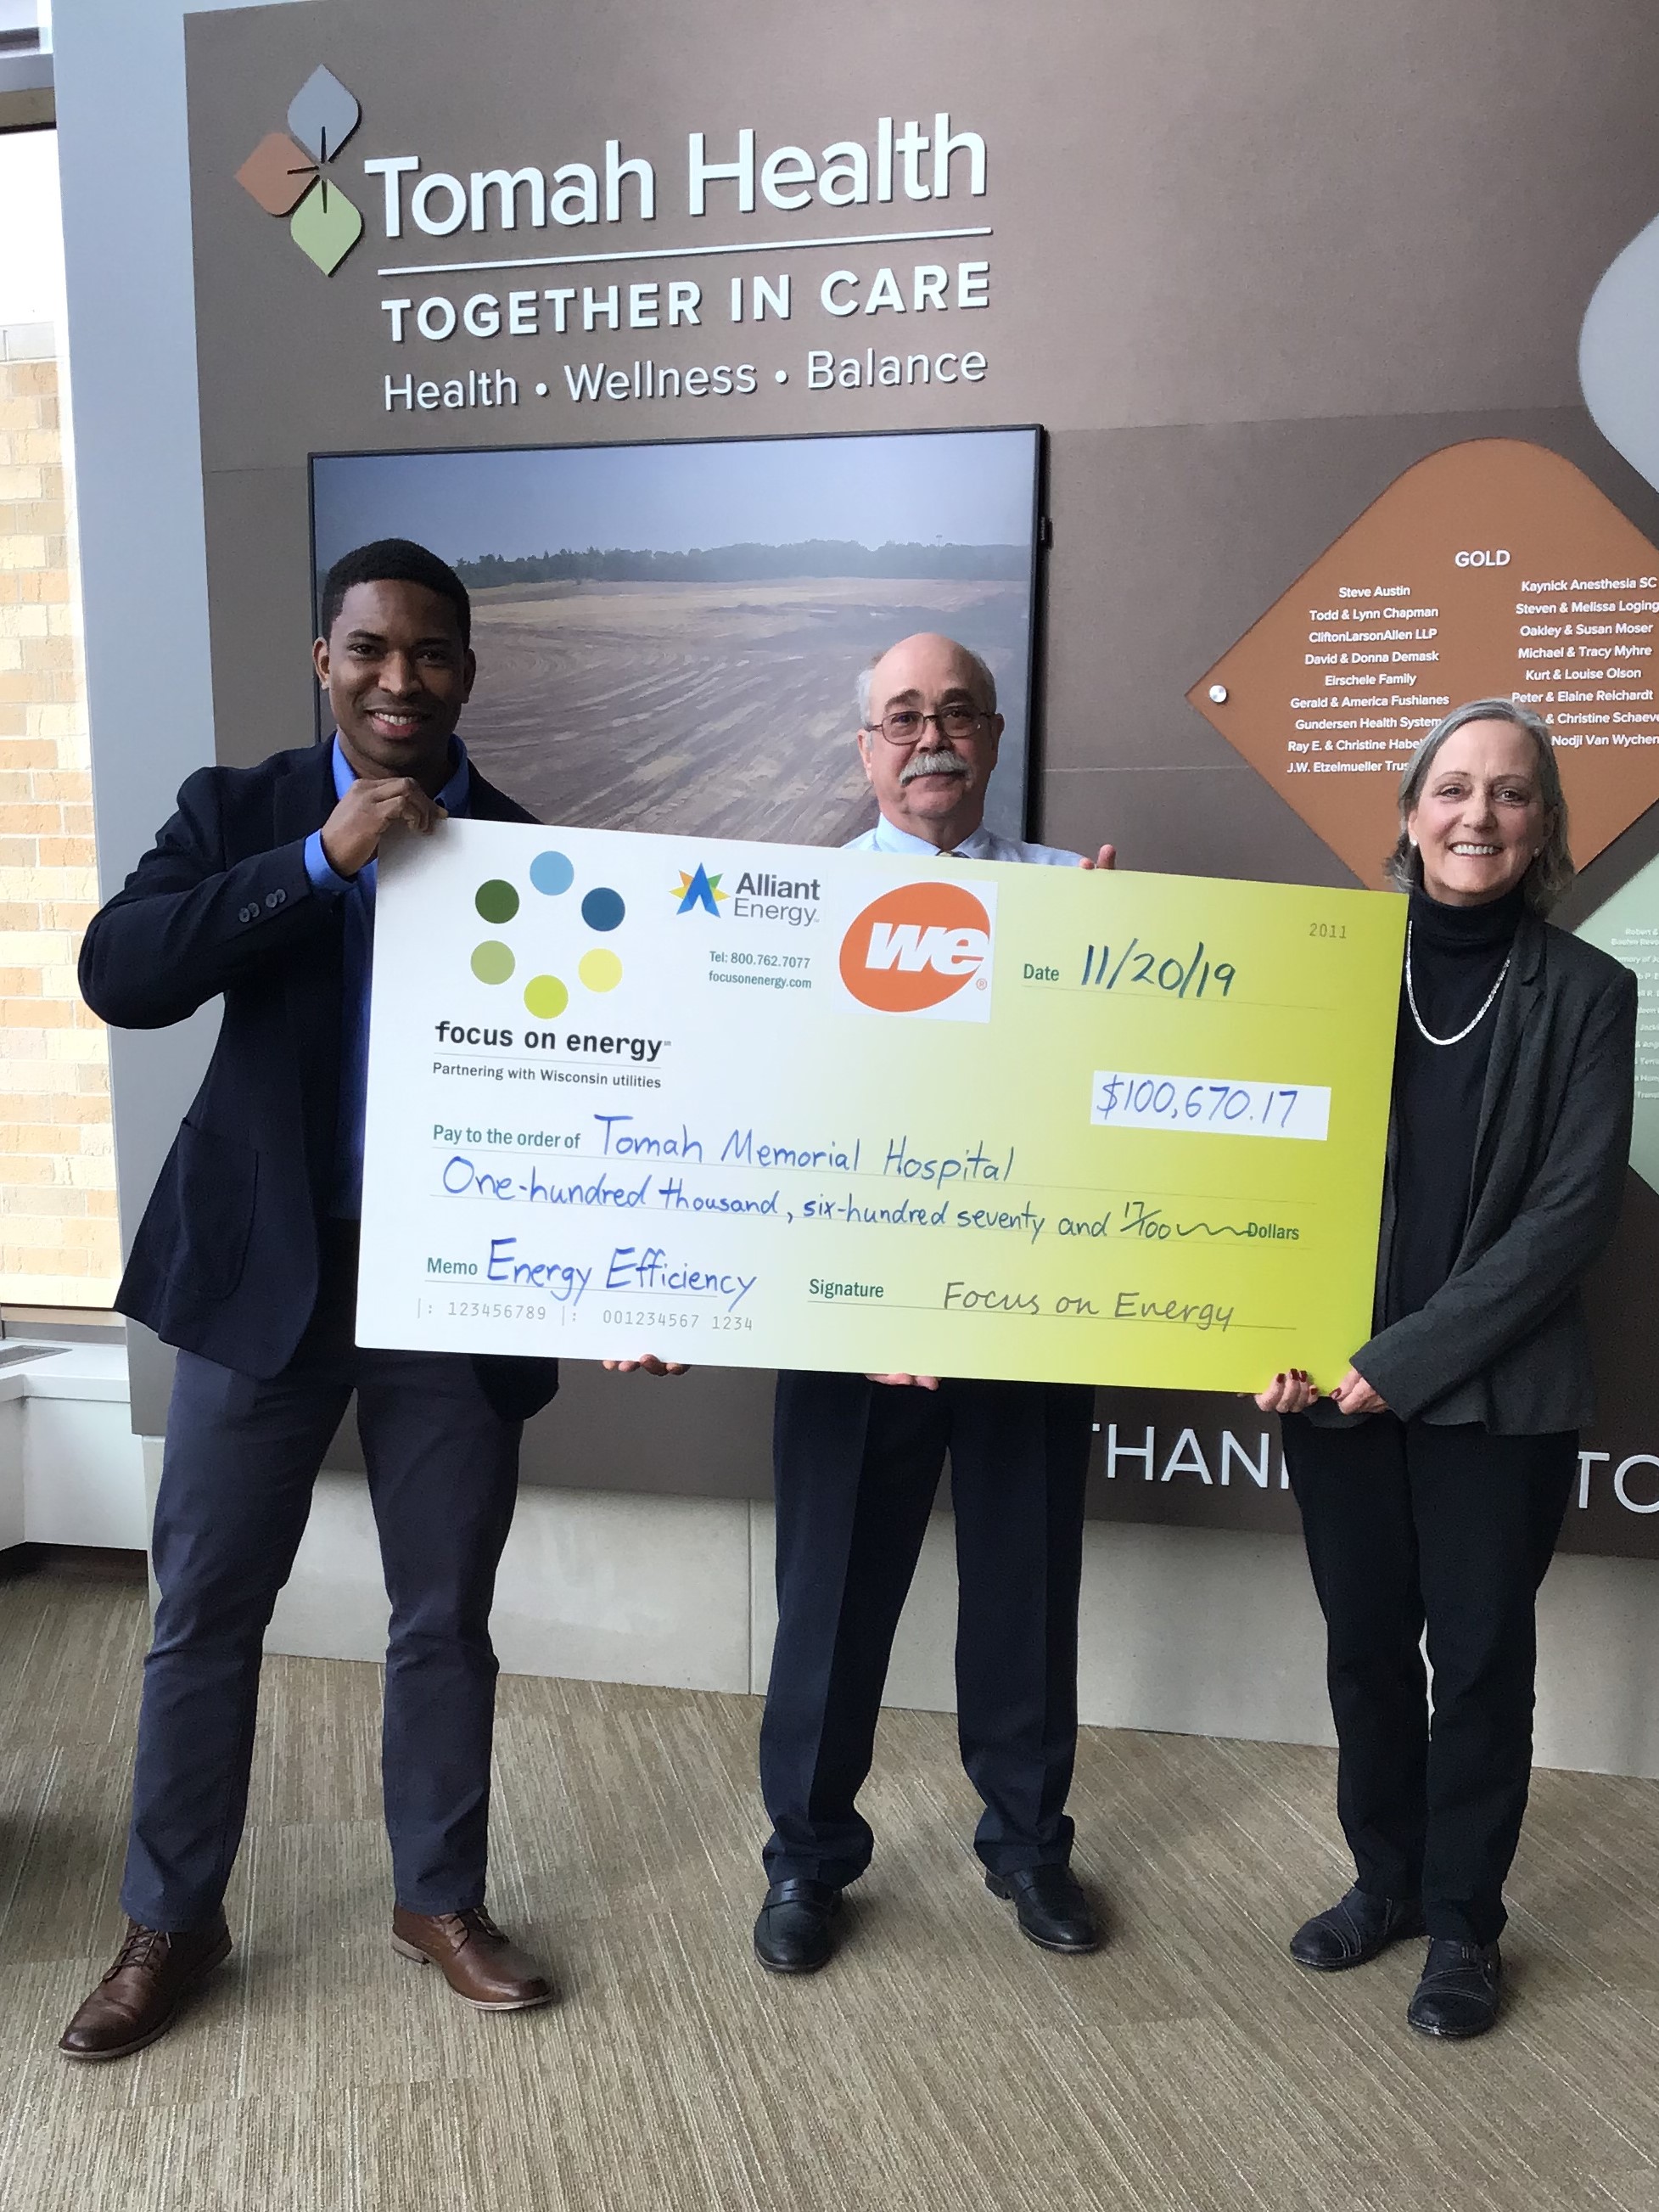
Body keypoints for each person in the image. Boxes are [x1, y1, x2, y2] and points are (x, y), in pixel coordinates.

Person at [60, 541, 563, 2060]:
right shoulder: (244, 811)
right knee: (205, 1610)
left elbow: (599, 1095)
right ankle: (172, 1920)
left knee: (445, 1615)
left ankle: (439, 1898)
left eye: (429, 655)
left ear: (467, 671)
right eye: (369, 651)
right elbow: (119, 971)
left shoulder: (536, 856)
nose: (398, 680)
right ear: (324, 661)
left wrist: (615, 1267)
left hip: (450, 1286)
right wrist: (318, 862)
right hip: (261, 1279)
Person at [1256, 697, 1635, 2041]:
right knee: (1364, 1649)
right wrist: (1261, 1330)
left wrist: (1400, 1362)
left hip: (1489, 1397)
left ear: (1544, 832)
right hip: (1331, 1389)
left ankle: (1467, 1924)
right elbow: (1250, 1162)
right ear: (1409, 816)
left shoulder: (1593, 993)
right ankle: (1387, 1881)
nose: (1479, 814)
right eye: (1454, 789)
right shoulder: (1325, 966)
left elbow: (1570, 1218)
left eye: (1511, 793)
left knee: (1476, 1661)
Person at [753, 632, 1116, 1973]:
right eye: (903, 716)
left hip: (1024, 1317)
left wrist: (1117, 976)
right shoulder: (792, 907)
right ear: (865, 749)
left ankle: (1028, 1845)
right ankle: (804, 1860)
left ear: (998, 736)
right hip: (853, 1329)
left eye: (958, 711)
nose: (932, 736)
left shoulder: (1078, 904)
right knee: (830, 1602)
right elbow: (761, 1117)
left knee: (1026, 1591)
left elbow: (1112, 1114)